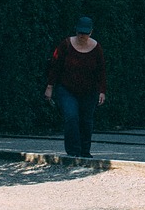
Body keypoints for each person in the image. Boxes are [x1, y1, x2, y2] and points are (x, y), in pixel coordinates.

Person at [44, 16, 107, 158]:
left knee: (86, 120)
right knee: (71, 117)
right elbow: (55, 66)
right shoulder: (65, 44)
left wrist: (102, 90)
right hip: (67, 89)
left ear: (90, 32)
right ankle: (73, 152)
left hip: (89, 90)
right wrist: (50, 86)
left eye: (85, 33)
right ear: (76, 31)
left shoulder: (96, 48)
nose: (82, 36)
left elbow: (101, 70)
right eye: (80, 33)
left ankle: (85, 151)